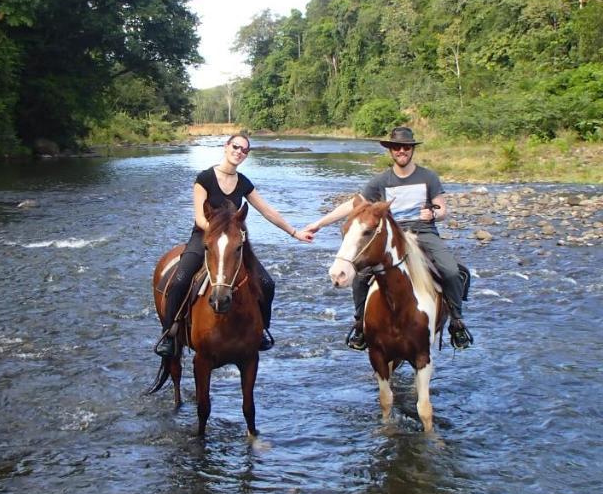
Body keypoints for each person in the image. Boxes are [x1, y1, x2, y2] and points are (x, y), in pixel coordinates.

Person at [302, 126, 473, 350]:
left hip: (424, 233)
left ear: (412, 149)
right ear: (390, 151)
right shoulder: (381, 181)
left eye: (406, 147)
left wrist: (433, 213)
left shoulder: (428, 176)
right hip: (393, 237)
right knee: (361, 275)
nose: (401, 151)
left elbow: (442, 209)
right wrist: (319, 223)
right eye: (397, 147)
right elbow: (352, 205)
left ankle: (457, 322)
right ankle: (360, 325)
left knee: (451, 271)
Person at [154, 133, 315, 359]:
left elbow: (268, 211)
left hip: (234, 244)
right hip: (205, 238)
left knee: (267, 283)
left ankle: (261, 332)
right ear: (226, 146)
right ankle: (169, 335)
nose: (239, 152)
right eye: (236, 147)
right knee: (180, 279)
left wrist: (295, 232)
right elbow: (200, 217)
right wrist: (214, 231)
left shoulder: (243, 183)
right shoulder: (204, 178)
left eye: (245, 150)